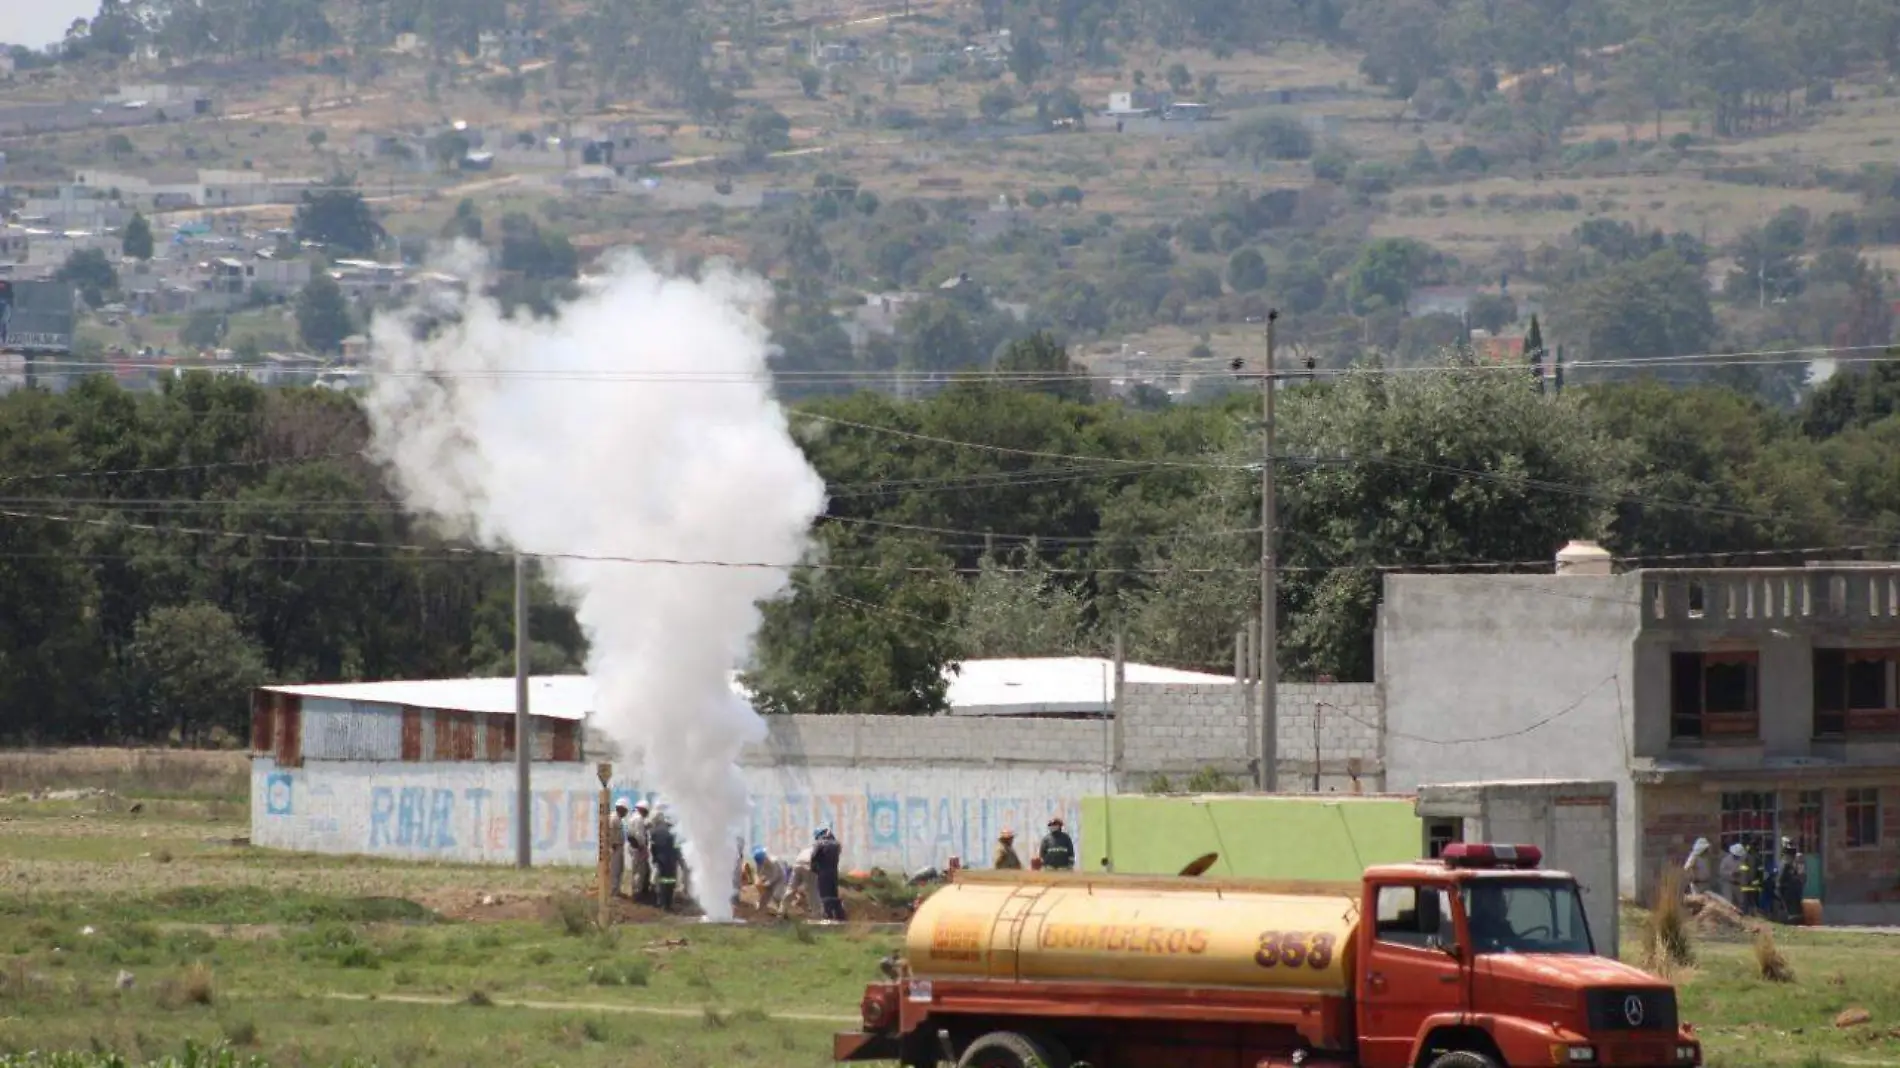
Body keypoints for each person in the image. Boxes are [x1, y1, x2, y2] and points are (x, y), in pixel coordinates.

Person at [648, 811, 682, 912]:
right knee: (670, 882)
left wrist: (655, 858)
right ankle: (668, 903)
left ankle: (662, 903)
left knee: (662, 881)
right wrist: (678, 859)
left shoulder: (654, 831)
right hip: (670, 861)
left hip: (660, 860)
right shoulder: (672, 833)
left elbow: (653, 847)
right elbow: (676, 848)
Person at [812, 827, 846, 922]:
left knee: (824, 895)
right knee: (834, 894)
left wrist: (814, 870)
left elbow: (813, 858)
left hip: (823, 872)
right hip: (834, 873)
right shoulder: (837, 844)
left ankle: (828, 915)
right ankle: (840, 915)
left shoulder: (819, 844)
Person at [750, 846, 792, 913]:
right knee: (765, 897)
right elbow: (758, 872)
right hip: (769, 879)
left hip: (779, 878)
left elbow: (775, 875)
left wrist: (768, 883)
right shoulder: (759, 863)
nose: (759, 863)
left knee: (777, 896)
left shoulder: (773, 862)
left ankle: (783, 912)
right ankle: (760, 911)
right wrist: (760, 880)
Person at [627, 801, 653, 903]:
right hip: (639, 848)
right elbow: (639, 835)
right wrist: (642, 847)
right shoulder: (638, 819)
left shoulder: (632, 817)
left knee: (636, 870)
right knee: (640, 871)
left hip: (633, 847)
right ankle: (638, 893)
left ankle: (635, 891)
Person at [1776, 838, 1806, 923]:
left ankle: (1793, 917)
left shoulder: (1793, 860)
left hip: (1791, 884)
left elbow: (1800, 873)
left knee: (1791, 902)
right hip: (1790, 884)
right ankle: (1794, 917)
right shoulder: (1787, 862)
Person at [609, 798, 631, 897]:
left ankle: (617, 890)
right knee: (615, 870)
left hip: (618, 847)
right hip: (615, 847)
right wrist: (613, 845)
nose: (626, 813)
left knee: (619, 869)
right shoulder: (614, 818)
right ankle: (613, 891)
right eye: (625, 811)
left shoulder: (618, 819)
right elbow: (610, 834)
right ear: (621, 809)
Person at [1717, 842, 1746, 910]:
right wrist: (1731, 873)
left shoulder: (1742, 860)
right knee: (1728, 902)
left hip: (1738, 883)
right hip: (1728, 883)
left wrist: (1741, 873)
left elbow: (1744, 869)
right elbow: (1721, 872)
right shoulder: (1726, 860)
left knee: (1740, 902)